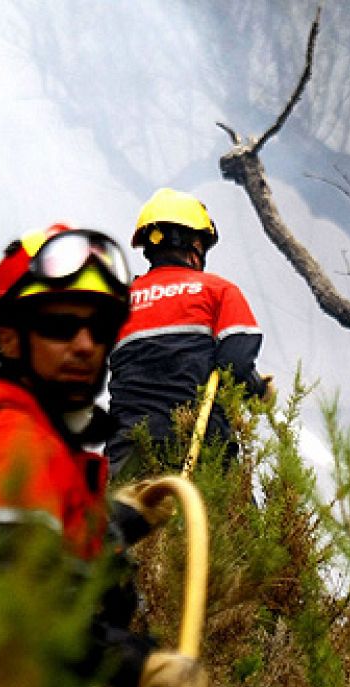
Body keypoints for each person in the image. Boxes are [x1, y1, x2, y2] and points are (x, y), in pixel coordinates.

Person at [0, 222, 209, 687]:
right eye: (60, 325)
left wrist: (124, 517)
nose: (85, 346)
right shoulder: (12, 445)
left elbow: (45, 551)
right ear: (11, 339)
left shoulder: (33, 443)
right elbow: (30, 604)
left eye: (99, 326)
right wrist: (141, 666)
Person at [106, 188, 272, 478]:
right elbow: (235, 363)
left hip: (129, 451)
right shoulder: (218, 292)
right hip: (199, 445)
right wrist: (258, 389)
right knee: (234, 520)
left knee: (120, 520)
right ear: (195, 244)